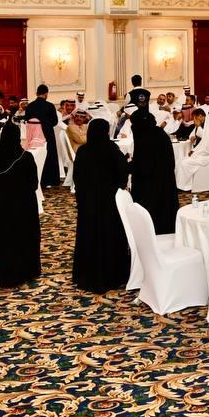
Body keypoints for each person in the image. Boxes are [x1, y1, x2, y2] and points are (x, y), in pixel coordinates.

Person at [72, 118, 130, 293]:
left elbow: (77, 178)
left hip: (88, 204)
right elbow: (122, 176)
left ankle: (87, 273)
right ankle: (113, 274)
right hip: (109, 205)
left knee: (89, 235)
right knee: (109, 235)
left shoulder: (83, 151)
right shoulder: (112, 150)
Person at [0, 123, 41, 288]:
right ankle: (29, 271)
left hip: (5, 206)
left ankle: (8, 275)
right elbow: (34, 183)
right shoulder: (26, 157)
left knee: (7, 239)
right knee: (27, 237)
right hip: (26, 205)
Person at [130, 109, 179, 233]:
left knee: (151, 220)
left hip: (150, 187)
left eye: (134, 124)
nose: (132, 128)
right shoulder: (159, 133)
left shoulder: (144, 136)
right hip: (165, 182)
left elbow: (143, 165)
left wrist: (128, 167)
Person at [24, 84, 60, 188]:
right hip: (47, 134)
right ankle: (49, 180)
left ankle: (35, 179)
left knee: (35, 156)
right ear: (46, 94)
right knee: (49, 155)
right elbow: (55, 121)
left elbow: (27, 120)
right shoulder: (50, 106)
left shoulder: (30, 106)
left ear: (37, 93)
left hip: (33, 135)